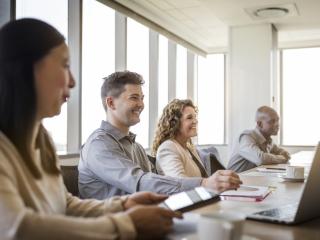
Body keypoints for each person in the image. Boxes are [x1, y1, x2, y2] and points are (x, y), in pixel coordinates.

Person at [0, 18, 181, 240]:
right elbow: (17, 229)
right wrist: (124, 223)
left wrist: (122, 205)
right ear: (27, 69)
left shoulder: (41, 138)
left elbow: (63, 204)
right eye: (65, 65)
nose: (73, 81)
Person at [78, 71, 242, 200]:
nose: (141, 104)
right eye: (134, 98)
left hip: (140, 220)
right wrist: (204, 183)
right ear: (111, 103)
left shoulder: (136, 147)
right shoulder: (99, 145)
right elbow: (141, 182)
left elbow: (155, 184)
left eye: (142, 98)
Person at [152, 99, 209, 178]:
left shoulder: (189, 148)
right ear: (175, 123)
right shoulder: (167, 148)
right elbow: (180, 183)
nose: (195, 121)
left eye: (195, 117)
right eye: (189, 118)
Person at [227, 106, 290, 172]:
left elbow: (284, 153)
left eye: (277, 120)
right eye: (272, 121)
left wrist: (283, 155)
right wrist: (282, 158)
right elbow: (260, 159)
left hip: (250, 178)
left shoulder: (268, 140)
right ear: (260, 124)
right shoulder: (246, 137)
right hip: (234, 180)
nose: (277, 125)